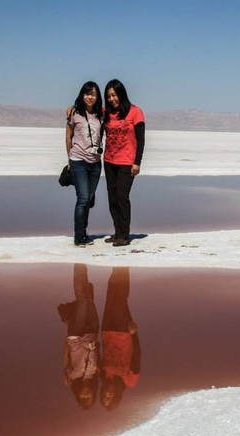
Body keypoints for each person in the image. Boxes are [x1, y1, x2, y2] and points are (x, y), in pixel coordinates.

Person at [101, 79, 145, 247]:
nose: (112, 99)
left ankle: (124, 235)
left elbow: (141, 140)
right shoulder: (107, 112)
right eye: (109, 96)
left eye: (115, 95)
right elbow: (88, 110)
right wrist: (72, 108)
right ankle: (117, 232)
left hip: (127, 162)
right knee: (112, 198)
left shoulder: (135, 112)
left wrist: (137, 162)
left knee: (122, 196)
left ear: (122, 94)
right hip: (109, 161)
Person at [65, 81, 103, 247]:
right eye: (87, 93)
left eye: (93, 94)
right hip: (78, 161)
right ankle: (79, 236)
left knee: (88, 199)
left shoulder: (101, 115)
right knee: (83, 199)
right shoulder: (74, 113)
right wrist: (69, 158)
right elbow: (68, 136)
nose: (90, 97)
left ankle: (83, 232)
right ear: (82, 95)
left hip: (95, 163)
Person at [58, 264, 100, 409]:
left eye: (83, 397)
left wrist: (67, 330)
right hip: (92, 333)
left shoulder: (71, 378)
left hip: (75, 336)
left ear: (78, 395)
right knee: (88, 299)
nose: (86, 394)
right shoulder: (97, 376)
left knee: (82, 299)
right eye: (89, 397)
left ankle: (79, 265)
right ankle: (83, 266)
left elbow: (66, 356)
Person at [100, 267, 141, 410]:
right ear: (117, 396)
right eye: (110, 398)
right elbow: (137, 356)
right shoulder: (129, 381)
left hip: (107, 331)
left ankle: (115, 268)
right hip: (124, 334)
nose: (107, 394)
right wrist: (134, 334)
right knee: (120, 300)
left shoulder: (103, 377)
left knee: (111, 299)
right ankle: (123, 268)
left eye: (104, 397)